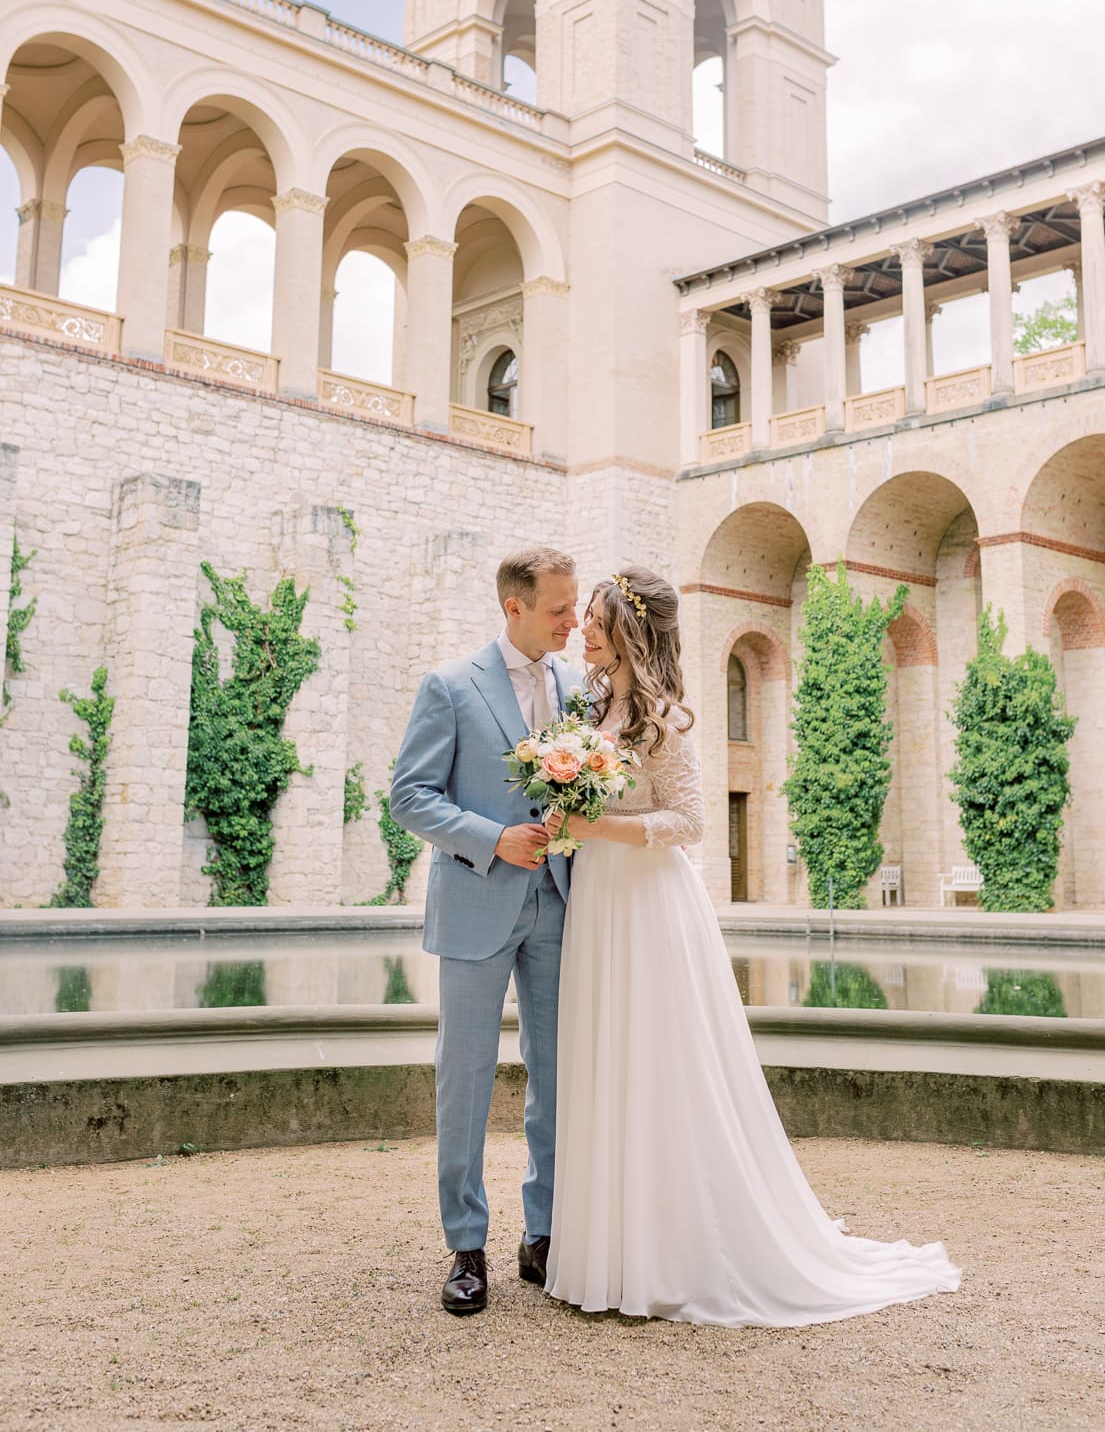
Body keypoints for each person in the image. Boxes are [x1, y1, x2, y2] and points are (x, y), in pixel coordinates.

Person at [544, 565, 961, 1327]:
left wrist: (593, 826)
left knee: (658, 1065)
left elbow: (692, 821)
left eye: (600, 618)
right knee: (605, 1058)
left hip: (648, 903)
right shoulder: (591, 702)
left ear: (631, 628)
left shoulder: (663, 717)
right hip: (598, 901)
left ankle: (667, 1253)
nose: (587, 629)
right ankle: (606, 1253)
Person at [390, 546, 579, 1316]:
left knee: (559, 1076)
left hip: (560, 903)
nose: (573, 621)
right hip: (476, 902)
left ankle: (544, 1232)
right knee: (464, 1080)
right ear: (515, 607)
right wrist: (489, 836)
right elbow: (409, 795)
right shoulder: (450, 685)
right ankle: (466, 1245)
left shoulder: (572, 686)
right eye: (560, 609)